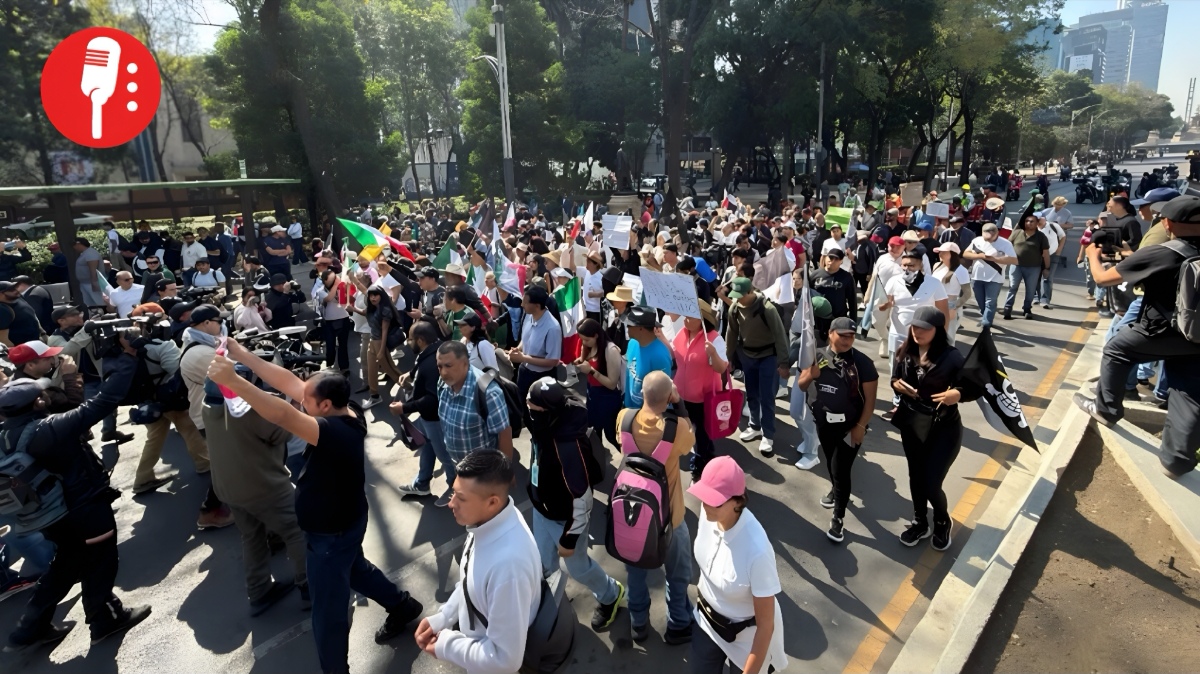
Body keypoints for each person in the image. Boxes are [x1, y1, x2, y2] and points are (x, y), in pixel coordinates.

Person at [207, 344, 424, 673]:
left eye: (306, 400)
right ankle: (402, 606)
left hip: (330, 536)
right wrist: (240, 354)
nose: (299, 400)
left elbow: (281, 412)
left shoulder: (331, 431)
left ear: (324, 405)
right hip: (344, 524)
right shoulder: (344, 408)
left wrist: (235, 382)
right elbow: (291, 384)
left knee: (328, 613)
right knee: (355, 570)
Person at [0, 356, 152, 652]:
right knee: (100, 561)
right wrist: (126, 359)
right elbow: (105, 399)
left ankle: (29, 629)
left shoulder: (6, 435)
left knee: (67, 564)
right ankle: (104, 619)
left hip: (44, 515)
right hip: (82, 508)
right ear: (39, 402)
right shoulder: (48, 429)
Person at [1074, 195, 1200, 477]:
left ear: (1167, 223)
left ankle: (1106, 410)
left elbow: (1103, 279)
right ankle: (1177, 460)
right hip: (1198, 338)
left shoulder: (1163, 251)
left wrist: (1094, 257)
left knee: (1117, 349)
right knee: (1188, 392)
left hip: (1161, 331)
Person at [415, 450, 541, 672]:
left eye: (461, 498)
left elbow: (505, 660)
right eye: (453, 493)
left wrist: (446, 645)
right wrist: (444, 617)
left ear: (492, 502)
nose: (451, 504)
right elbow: (469, 581)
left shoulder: (508, 567)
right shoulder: (491, 521)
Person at [525, 377, 625, 631]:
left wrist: (569, 539)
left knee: (578, 567)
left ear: (549, 411)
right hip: (542, 509)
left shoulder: (567, 445)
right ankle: (553, 599)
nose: (528, 409)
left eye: (533, 407)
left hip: (565, 520)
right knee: (545, 563)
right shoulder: (545, 424)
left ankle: (610, 595)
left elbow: (582, 499)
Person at [203, 375, 308, 616]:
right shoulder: (246, 412)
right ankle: (309, 586)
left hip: (228, 487)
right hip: (262, 486)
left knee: (252, 536)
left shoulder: (208, 406)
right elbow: (284, 432)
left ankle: (259, 590)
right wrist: (289, 404)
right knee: (297, 530)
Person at [891, 306, 981, 550]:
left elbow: (975, 386)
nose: (917, 332)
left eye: (924, 328)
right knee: (916, 477)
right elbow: (894, 379)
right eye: (914, 326)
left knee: (931, 483)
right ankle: (920, 521)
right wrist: (898, 386)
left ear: (937, 330)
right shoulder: (904, 350)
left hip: (944, 430)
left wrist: (957, 393)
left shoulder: (951, 357)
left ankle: (942, 520)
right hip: (913, 426)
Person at [687, 456, 787, 674]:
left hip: (746, 639)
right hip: (706, 621)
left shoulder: (757, 550)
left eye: (714, 501)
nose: (705, 506)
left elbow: (765, 626)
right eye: (704, 497)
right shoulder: (709, 515)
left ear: (738, 502)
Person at [617, 371, 696, 645]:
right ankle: (678, 623)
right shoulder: (675, 430)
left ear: (642, 393)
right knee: (677, 574)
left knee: (635, 573)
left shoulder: (624, 418)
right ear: (668, 398)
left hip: (633, 516)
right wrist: (680, 403)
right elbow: (690, 444)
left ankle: (638, 623)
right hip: (670, 518)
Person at [798, 317, 878, 542]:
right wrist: (809, 375)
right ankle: (836, 490)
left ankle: (838, 518)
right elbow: (801, 385)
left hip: (850, 428)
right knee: (831, 463)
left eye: (851, 335)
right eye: (843, 335)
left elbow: (870, 400)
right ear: (830, 334)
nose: (847, 339)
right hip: (824, 424)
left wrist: (860, 426)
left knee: (841, 470)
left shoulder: (862, 363)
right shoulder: (817, 355)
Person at [130, 328, 211, 496]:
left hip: (148, 405)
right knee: (191, 431)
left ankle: (142, 478)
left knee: (154, 440)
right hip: (171, 401)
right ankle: (204, 464)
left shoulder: (123, 354)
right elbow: (178, 371)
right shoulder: (161, 347)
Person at [178, 304, 237, 529]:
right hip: (210, 415)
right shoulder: (200, 352)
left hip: (214, 411)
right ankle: (210, 511)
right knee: (225, 463)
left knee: (227, 461)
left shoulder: (200, 344)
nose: (221, 325)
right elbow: (232, 375)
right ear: (205, 324)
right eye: (217, 321)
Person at [726, 277, 791, 456]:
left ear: (750, 292)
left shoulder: (767, 309)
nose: (737, 299)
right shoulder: (734, 308)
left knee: (767, 397)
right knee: (752, 393)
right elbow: (731, 333)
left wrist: (784, 363)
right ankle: (754, 425)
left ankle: (768, 434)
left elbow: (780, 336)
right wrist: (728, 357)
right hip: (747, 356)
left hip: (768, 357)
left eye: (740, 295)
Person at [394, 322, 457, 504]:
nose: (408, 342)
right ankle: (422, 483)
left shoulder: (431, 364)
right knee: (427, 446)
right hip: (429, 418)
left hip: (435, 418)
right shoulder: (435, 349)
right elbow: (421, 362)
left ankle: (456, 492)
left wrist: (404, 408)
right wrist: (412, 373)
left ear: (421, 340)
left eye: (410, 339)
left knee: (445, 456)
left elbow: (432, 399)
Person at [671, 301, 728, 481]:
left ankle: (703, 466)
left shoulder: (714, 338)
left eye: (690, 316)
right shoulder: (682, 333)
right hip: (681, 394)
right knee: (686, 430)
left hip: (704, 397)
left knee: (702, 434)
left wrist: (713, 354)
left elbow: (721, 368)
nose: (686, 319)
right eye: (686, 315)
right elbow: (675, 356)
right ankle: (701, 457)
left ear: (702, 319)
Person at [433, 340, 513, 464]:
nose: (443, 372)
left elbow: (505, 435)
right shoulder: (442, 383)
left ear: (465, 363)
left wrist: (506, 474)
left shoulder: (489, 393)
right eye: (439, 366)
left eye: (448, 366)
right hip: (458, 466)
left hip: (484, 471)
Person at [879, 253, 950, 390]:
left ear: (921, 265)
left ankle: (919, 396)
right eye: (904, 265)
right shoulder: (894, 281)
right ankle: (898, 400)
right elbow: (881, 306)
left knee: (921, 368)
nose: (908, 269)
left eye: (912, 265)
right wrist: (886, 305)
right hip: (898, 334)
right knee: (897, 368)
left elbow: (943, 313)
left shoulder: (934, 283)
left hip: (924, 337)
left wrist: (942, 336)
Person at [575, 317, 623, 452]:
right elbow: (585, 359)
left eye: (586, 339)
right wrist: (580, 362)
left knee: (611, 434)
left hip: (607, 398)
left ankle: (629, 458)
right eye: (582, 339)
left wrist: (590, 370)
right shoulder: (589, 345)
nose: (584, 343)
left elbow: (612, 384)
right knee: (594, 433)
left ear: (596, 335)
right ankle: (597, 458)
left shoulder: (610, 350)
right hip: (592, 395)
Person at [509, 285, 562, 403]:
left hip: (542, 377)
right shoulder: (528, 316)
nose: (522, 304)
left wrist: (523, 358)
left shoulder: (553, 327)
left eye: (525, 302)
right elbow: (526, 338)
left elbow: (553, 361)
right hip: (524, 372)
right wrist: (518, 349)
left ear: (537, 306)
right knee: (522, 404)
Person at [962, 223, 1017, 328]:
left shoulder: (1006, 244)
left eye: (991, 238)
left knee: (990, 302)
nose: (989, 241)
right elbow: (965, 254)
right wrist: (980, 255)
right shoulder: (977, 240)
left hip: (995, 277)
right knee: (980, 301)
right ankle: (985, 317)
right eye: (986, 238)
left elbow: (1014, 260)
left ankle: (986, 323)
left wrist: (995, 259)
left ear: (997, 233)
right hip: (977, 276)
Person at [623, 304, 674, 408]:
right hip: (630, 410)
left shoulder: (660, 356)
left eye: (629, 325)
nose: (627, 327)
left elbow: (663, 395)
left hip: (649, 419)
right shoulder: (632, 343)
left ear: (641, 328)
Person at [362, 286, 404, 410]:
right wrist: (352, 308)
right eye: (371, 295)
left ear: (381, 296)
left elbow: (384, 331)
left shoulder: (385, 310)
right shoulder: (372, 309)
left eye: (376, 295)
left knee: (391, 370)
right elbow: (364, 313)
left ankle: (409, 388)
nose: (373, 298)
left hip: (380, 342)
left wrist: (381, 351)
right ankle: (374, 395)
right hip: (372, 341)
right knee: (371, 370)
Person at [1002, 215, 1050, 320]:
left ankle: (1027, 308)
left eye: (1032, 221)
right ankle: (1008, 308)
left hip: (1033, 267)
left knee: (1030, 290)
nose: (1029, 223)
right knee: (1012, 287)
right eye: (1027, 221)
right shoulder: (1017, 233)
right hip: (1016, 266)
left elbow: (1046, 253)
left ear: (1037, 223)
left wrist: (1047, 268)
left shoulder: (1041, 237)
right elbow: (1007, 246)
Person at [314, 270, 353, 375]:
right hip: (329, 322)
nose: (335, 281)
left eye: (335, 279)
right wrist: (336, 285)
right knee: (330, 345)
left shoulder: (340, 288)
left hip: (344, 318)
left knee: (343, 345)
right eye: (332, 279)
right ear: (325, 281)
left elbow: (347, 297)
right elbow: (328, 298)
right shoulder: (321, 291)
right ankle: (330, 364)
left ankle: (344, 367)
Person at [931, 242, 970, 345]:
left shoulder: (961, 271)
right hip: (933, 303)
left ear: (951, 254)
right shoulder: (937, 266)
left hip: (949, 304)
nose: (940, 254)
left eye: (943, 252)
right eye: (939, 252)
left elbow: (967, 293)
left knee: (948, 335)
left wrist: (954, 307)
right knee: (932, 333)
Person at [0, 281, 43, 347]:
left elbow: (4, 342)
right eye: (11, 290)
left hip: (31, 347)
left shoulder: (17, 298)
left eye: (15, 288)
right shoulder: (3, 309)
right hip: (28, 348)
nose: (16, 291)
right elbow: (4, 340)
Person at [73, 238, 105, 309]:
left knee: (99, 302)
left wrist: (94, 282)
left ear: (79, 244)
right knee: (90, 305)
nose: (73, 247)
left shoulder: (90, 253)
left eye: (74, 245)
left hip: (92, 283)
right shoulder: (85, 253)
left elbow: (93, 269)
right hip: (86, 283)